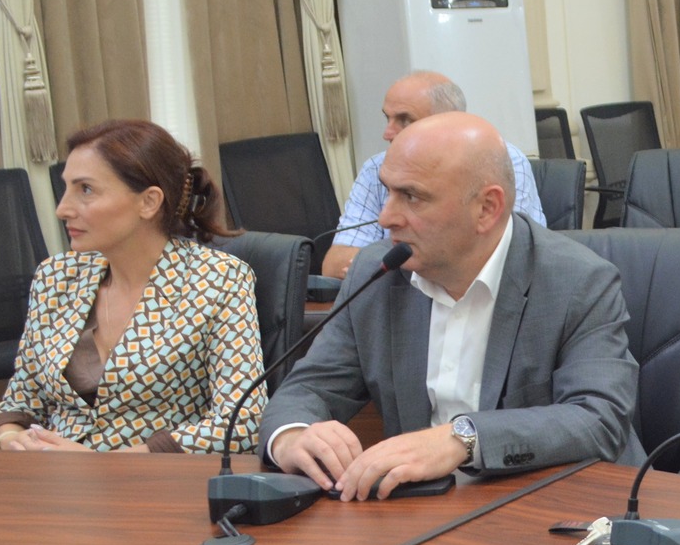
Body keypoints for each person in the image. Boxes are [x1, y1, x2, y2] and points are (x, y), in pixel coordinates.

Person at [261, 112, 642, 499]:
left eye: (411, 197)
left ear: (486, 209)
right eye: (387, 192)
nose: (385, 217)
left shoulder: (578, 280)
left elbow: (599, 418)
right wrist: (293, 436)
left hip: (561, 505)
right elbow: (308, 389)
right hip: (426, 509)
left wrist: (464, 439)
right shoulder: (376, 274)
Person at [0, 121, 265, 454]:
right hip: (53, 476)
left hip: (156, 480)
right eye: (66, 188)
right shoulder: (55, 277)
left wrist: (105, 464)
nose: (62, 209)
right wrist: (9, 438)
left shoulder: (219, 280)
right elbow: (20, 400)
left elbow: (243, 422)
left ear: (148, 202)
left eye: (85, 190)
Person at [324, 71, 545, 277]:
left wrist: (377, 267)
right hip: (401, 300)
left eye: (405, 120)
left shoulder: (501, 161)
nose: (387, 133)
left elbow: (509, 259)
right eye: (387, 118)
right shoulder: (377, 168)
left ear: (447, 120)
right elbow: (335, 263)